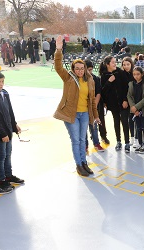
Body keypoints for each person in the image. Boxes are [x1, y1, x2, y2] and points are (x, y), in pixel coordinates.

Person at [53, 35, 100, 177]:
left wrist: (96, 116)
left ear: (85, 69)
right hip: (71, 114)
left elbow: (92, 100)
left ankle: (84, 163)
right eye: (77, 68)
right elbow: (58, 66)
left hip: (84, 114)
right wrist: (58, 50)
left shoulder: (90, 80)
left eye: (82, 68)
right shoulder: (68, 77)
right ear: (73, 69)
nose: (80, 70)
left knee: (82, 140)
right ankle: (79, 164)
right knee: (76, 140)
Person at [0, 72, 24, 195]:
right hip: (0, 134)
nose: (1, 84)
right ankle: (0, 180)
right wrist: (2, 134)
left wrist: (14, 125)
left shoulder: (5, 93)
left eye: (2, 81)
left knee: (8, 155)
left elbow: (10, 112)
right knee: (0, 157)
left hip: (8, 131)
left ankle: (8, 176)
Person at [100, 56, 130, 153]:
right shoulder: (104, 76)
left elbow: (126, 87)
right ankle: (118, 141)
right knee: (116, 122)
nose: (115, 64)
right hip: (113, 105)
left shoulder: (120, 73)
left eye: (115, 62)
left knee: (125, 122)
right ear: (107, 64)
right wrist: (109, 81)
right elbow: (103, 91)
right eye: (113, 62)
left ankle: (127, 143)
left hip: (123, 103)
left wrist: (125, 100)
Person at [127, 66, 144, 154]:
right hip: (135, 110)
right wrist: (133, 107)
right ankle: (140, 143)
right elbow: (129, 96)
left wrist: (136, 107)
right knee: (138, 127)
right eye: (134, 74)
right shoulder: (131, 84)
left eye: (138, 74)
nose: (136, 76)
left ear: (142, 74)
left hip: (142, 110)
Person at [84, 60, 105, 153]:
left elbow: (98, 93)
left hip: (92, 107)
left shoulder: (95, 79)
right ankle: (85, 146)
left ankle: (96, 143)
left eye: (91, 70)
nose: (89, 72)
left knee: (94, 126)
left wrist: (94, 107)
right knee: (83, 128)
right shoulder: (79, 79)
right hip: (82, 108)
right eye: (87, 70)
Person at [121, 57, 136, 147]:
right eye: (124, 65)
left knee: (134, 120)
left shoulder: (135, 74)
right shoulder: (121, 75)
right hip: (125, 101)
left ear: (131, 64)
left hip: (134, 101)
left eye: (128, 64)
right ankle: (129, 139)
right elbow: (121, 89)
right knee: (126, 120)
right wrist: (124, 100)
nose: (126, 66)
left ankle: (135, 138)